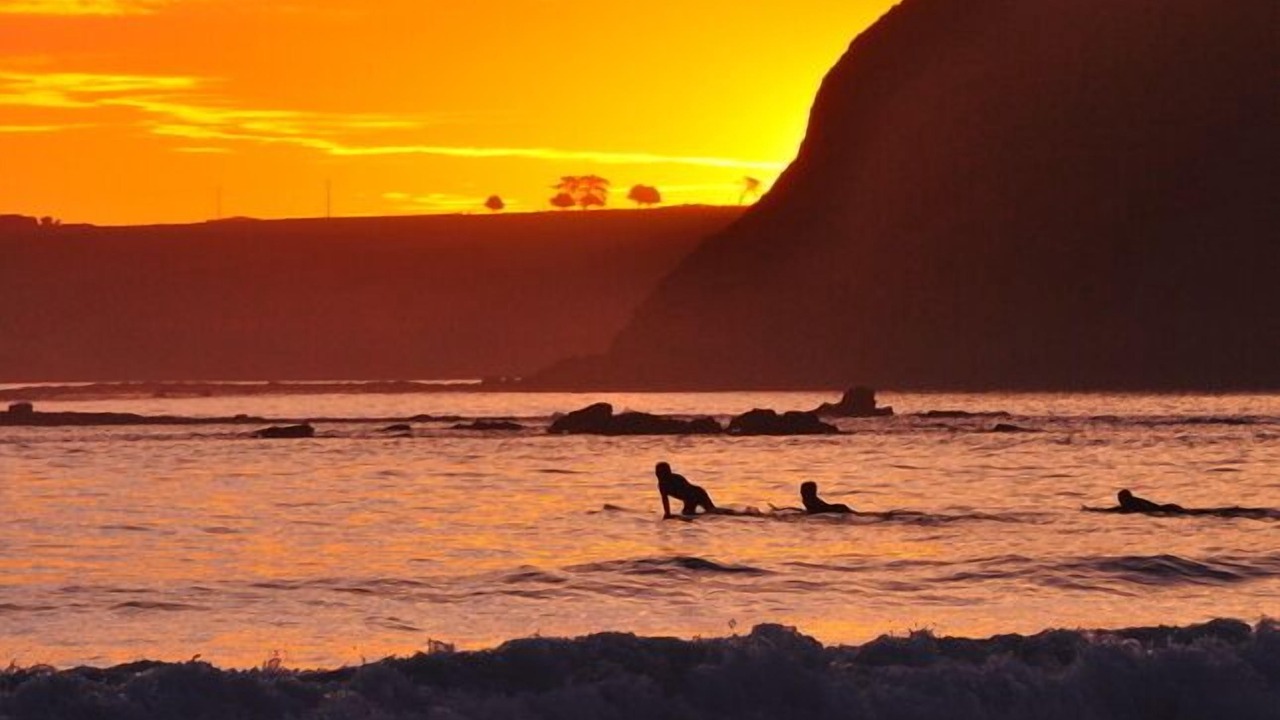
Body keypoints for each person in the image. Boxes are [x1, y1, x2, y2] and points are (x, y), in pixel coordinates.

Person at [1116, 489, 1184, 514]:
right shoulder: (1134, 501)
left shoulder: (1131, 503)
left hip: (1159, 510)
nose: (1119, 500)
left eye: (1120, 498)